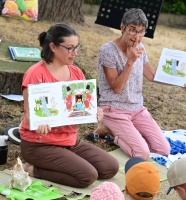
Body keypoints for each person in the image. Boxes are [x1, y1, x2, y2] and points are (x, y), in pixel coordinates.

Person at [19, 23, 119, 188]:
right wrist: (38, 123)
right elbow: (30, 116)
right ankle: (33, 169)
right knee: (88, 176)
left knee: (110, 167)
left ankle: (65, 163)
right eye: (70, 48)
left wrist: (94, 111)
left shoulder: (76, 73)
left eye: (77, 47)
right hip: (39, 144)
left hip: (69, 141)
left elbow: (81, 106)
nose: (75, 52)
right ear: (53, 47)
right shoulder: (35, 74)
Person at [93, 8, 186, 160]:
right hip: (114, 109)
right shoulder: (108, 50)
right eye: (132, 30)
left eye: (141, 32)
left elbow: (152, 76)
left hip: (137, 109)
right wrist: (130, 61)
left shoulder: (141, 48)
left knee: (163, 149)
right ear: (122, 27)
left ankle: (117, 130)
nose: (137, 37)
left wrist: (180, 83)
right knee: (142, 153)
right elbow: (116, 87)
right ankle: (112, 131)